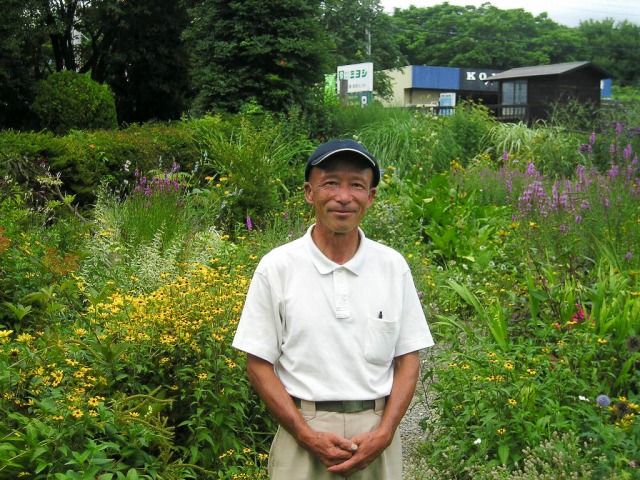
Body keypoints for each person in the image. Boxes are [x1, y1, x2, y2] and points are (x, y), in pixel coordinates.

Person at [232, 139, 434, 479]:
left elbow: (408, 359)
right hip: (303, 431)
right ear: (310, 192)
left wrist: (384, 433)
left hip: (375, 433)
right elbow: (258, 364)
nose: (344, 196)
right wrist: (306, 434)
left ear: (370, 197)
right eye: (331, 183)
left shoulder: (392, 267)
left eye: (357, 185)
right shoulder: (277, 267)